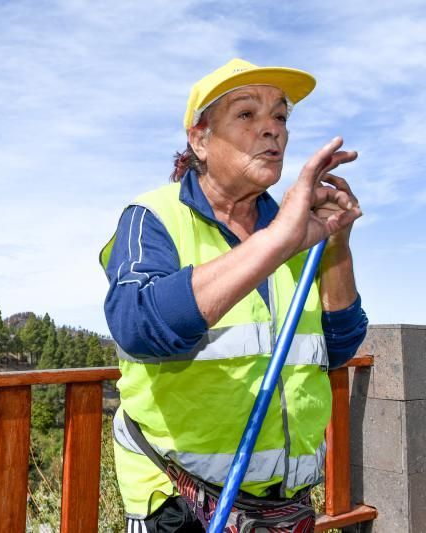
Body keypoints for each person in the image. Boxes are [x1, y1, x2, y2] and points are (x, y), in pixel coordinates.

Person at [99, 58, 368, 532]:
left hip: (283, 505)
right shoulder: (153, 217)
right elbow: (139, 325)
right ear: (199, 139)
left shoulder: (291, 227)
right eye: (247, 115)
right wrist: (276, 242)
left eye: (280, 117)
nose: (273, 132)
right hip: (179, 501)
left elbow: (338, 344)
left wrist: (335, 242)